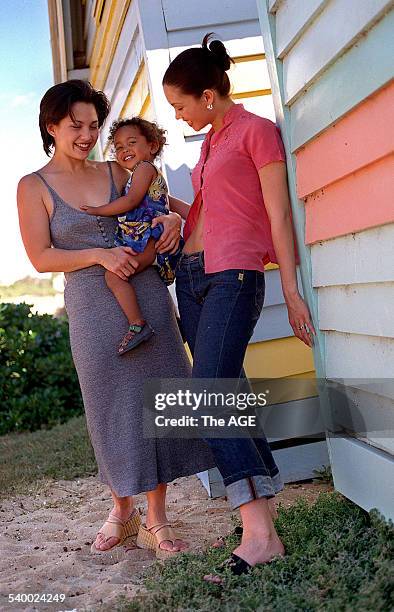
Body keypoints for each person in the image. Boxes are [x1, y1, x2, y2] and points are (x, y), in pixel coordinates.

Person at [17, 79, 215, 557]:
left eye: (93, 125)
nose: (87, 134)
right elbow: (41, 257)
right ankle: (121, 511)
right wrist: (100, 255)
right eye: (75, 125)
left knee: (157, 402)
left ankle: (157, 520)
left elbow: (166, 206)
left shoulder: (118, 170)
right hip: (91, 308)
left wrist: (169, 221)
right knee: (110, 409)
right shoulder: (33, 186)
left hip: (145, 296)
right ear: (52, 127)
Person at [163, 35, 316, 575]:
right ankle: (262, 522)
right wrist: (172, 215)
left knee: (208, 390)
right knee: (224, 389)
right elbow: (217, 207)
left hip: (234, 275)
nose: (177, 116)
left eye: (180, 105)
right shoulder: (209, 144)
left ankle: (257, 534)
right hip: (192, 274)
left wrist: (293, 292)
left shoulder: (257, 133)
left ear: (208, 94)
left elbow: (277, 216)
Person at [81, 117, 182, 355]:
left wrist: (97, 210)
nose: (124, 150)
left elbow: (130, 201)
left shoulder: (144, 169)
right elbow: (173, 204)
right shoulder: (139, 174)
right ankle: (178, 322)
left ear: (152, 146)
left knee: (114, 276)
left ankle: (138, 324)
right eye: (119, 147)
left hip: (147, 238)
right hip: (147, 237)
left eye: (131, 142)